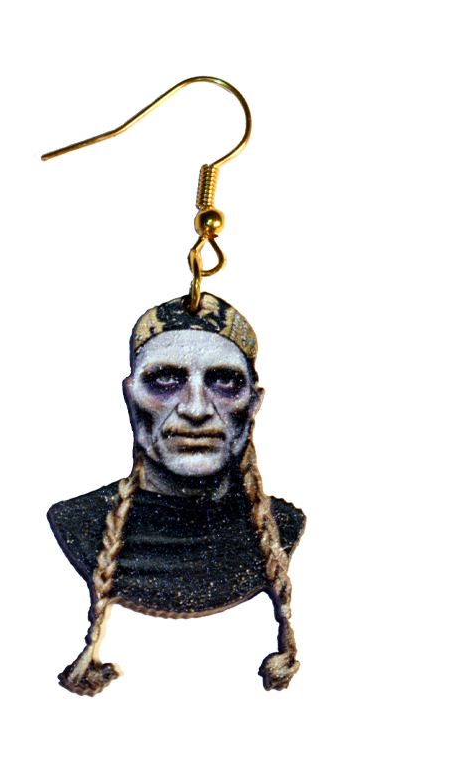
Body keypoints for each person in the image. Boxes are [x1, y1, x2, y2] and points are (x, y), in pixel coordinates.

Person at [48, 292, 304, 695]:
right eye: (165, 380)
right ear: (131, 395)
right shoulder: (82, 524)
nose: (196, 410)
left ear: (254, 402)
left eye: (225, 382)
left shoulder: (281, 526)